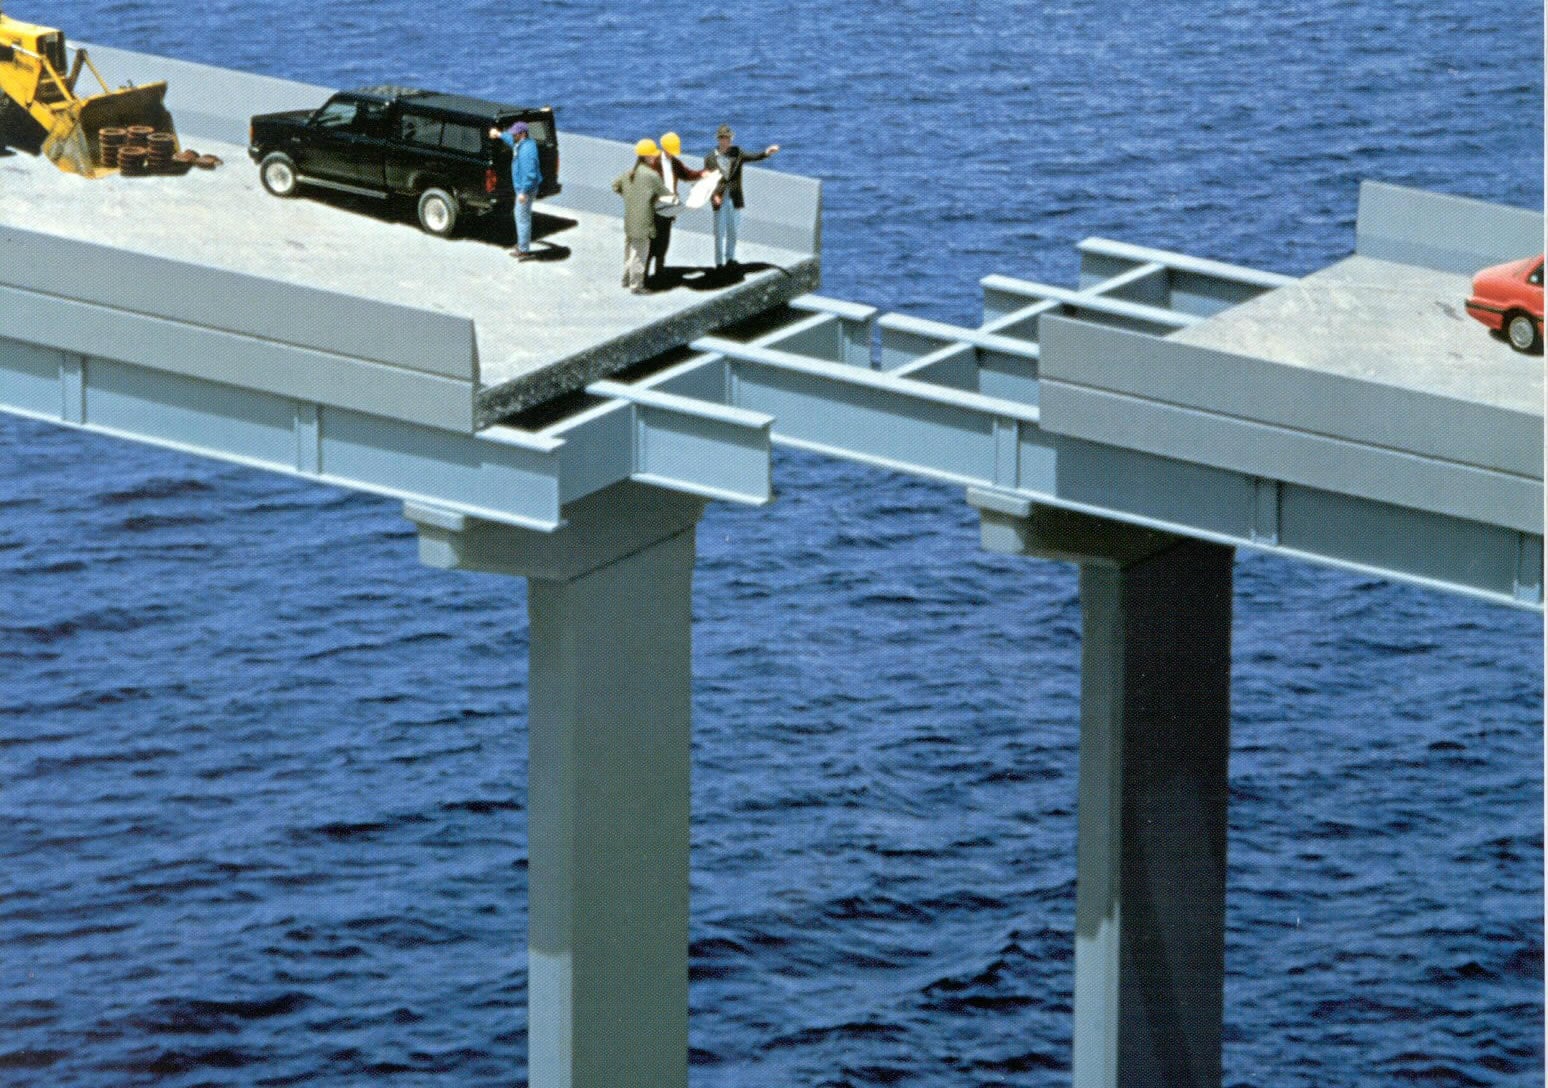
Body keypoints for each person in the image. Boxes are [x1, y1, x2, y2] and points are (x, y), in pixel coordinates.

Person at [705, 124, 779, 268]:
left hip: (734, 197)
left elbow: (753, 156)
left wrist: (766, 153)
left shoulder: (737, 153)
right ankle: (719, 262)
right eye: (723, 138)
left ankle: (730, 258)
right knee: (719, 232)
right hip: (719, 199)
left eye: (728, 138)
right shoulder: (710, 158)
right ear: (718, 139)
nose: (726, 141)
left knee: (733, 230)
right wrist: (713, 196)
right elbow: (707, 180)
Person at [612, 139, 669, 294]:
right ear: (647, 157)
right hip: (644, 222)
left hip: (630, 219)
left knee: (629, 251)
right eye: (653, 155)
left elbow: (615, 186)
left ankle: (625, 279)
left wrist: (629, 196)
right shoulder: (652, 175)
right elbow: (665, 194)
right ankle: (636, 285)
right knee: (640, 253)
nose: (655, 157)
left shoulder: (629, 173)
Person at [646, 131, 705, 281]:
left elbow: (687, 174)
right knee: (651, 243)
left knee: (664, 242)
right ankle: (644, 275)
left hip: (669, 207)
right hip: (655, 208)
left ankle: (659, 272)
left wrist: (702, 174)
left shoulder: (675, 163)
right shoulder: (653, 163)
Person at [489, 120, 542, 260]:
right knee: (522, 215)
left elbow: (530, 174)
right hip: (525, 188)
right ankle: (523, 245)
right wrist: (499, 134)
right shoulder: (525, 143)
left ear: (523, 134)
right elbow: (511, 141)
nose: (513, 136)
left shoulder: (526, 151)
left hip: (526, 189)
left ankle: (523, 250)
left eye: (515, 134)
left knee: (522, 218)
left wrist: (523, 192)